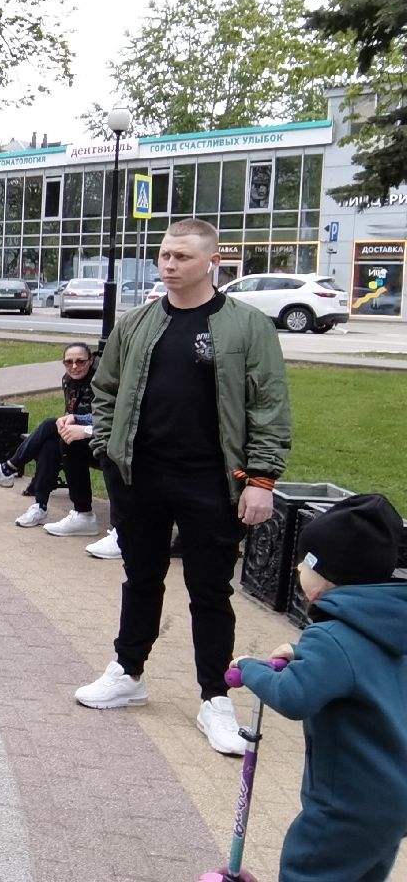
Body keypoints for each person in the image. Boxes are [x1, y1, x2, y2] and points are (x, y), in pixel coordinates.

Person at [75, 218, 292, 756]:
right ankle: (128, 672)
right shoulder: (137, 323)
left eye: (182, 257)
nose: (169, 265)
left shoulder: (247, 326)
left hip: (212, 483)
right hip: (140, 478)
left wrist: (261, 480)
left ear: (212, 262)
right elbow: (106, 388)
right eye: (165, 255)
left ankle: (215, 698)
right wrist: (106, 450)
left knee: (210, 591)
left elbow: (269, 405)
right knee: (140, 578)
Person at [233, 494, 407, 882]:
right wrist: (301, 653)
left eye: (303, 562)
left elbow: (293, 696)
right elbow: (360, 667)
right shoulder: (390, 628)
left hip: (346, 804)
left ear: (324, 578)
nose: (297, 568)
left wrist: (250, 669)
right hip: (393, 799)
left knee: (308, 870)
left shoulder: (330, 638)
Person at [0, 341, 99, 533]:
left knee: (49, 424)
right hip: (76, 437)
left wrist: (72, 421)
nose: (74, 366)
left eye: (80, 361)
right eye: (68, 362)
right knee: (50, 444)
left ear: (90, 361)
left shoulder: (100, 382)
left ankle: (8, 468)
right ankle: (40, 506)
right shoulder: (67, 380)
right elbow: (70, 411)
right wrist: (66, 424)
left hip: (99, 438)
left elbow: (105, 417)